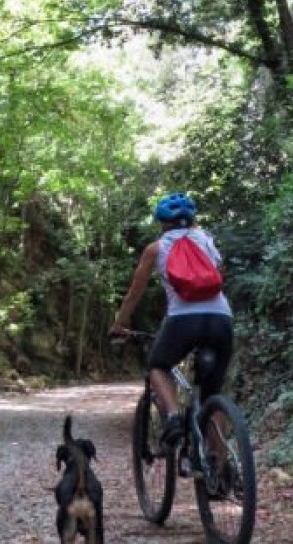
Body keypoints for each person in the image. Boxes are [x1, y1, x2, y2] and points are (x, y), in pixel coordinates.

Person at [109, 191, 234, 445]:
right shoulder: (207, 239)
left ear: (162, 223)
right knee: (213, 395)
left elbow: (135, 292)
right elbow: (219, 275)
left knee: (158, 365)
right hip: (221, 319)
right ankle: (220, 471)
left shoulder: (156, 248)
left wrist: (120, 323)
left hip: (183, 320)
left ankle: (174, 417)